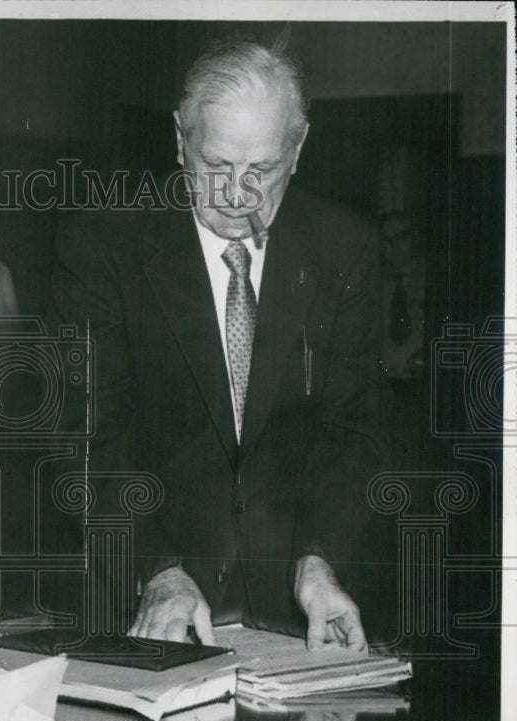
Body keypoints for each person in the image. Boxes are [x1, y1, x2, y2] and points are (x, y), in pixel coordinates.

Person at [53, 39, 391, 649]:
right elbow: (90, 438)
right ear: (180, 139)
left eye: (260, 170)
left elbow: (353, 431)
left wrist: (320, 562)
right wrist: (155, 569)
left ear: (299, 147)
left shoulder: (346, 249)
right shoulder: (102, 245)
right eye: (215, 166)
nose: (237, 195)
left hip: (299, 610)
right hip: (149, 598)